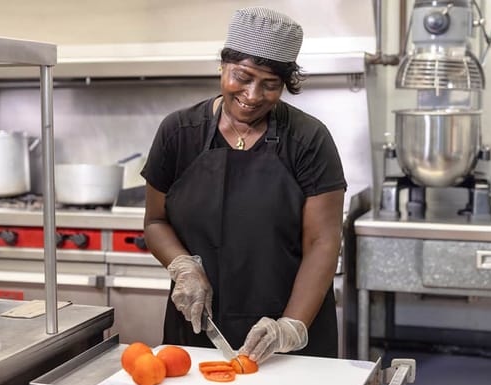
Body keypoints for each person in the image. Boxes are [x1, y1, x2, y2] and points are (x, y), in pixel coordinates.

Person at [141, 6, 346, 364]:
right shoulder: (179, 132)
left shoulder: (308, 139)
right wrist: (183, 267)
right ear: (223, 65)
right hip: (198, 332)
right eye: (243, 76)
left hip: (290, 336)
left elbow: (323, 241)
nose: (252, 95)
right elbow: (156, 222)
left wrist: (291, 325)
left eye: (270, 85)